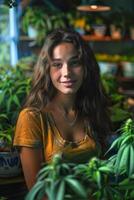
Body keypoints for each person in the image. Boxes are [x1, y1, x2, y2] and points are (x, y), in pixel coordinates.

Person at [13, 29, 111, 190]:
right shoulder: (32, 118)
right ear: (47, 69)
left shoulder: (91, 110)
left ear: (86, 67)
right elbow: (37, 193)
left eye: (75, 63)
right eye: (57, 65)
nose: (66, 73)